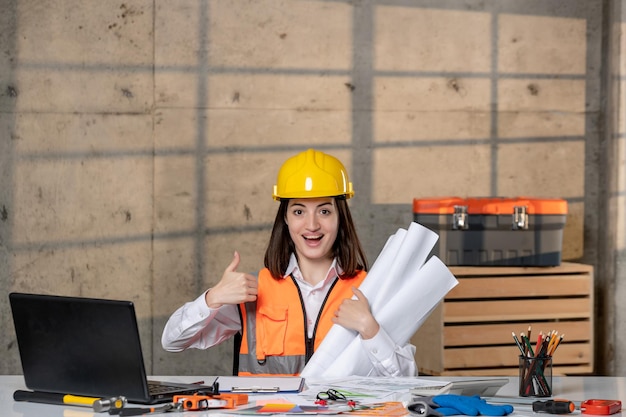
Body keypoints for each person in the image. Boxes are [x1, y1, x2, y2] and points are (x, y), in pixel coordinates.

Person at [161, 148, 417, 376]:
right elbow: (173, 342)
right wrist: (212, 298)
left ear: (341, 218)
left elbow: (407, 377)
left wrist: (369, 327)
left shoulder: (370, 290)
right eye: (299, 211)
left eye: (325, 211)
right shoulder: (253, 292)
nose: (312, 225)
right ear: (285, 218)